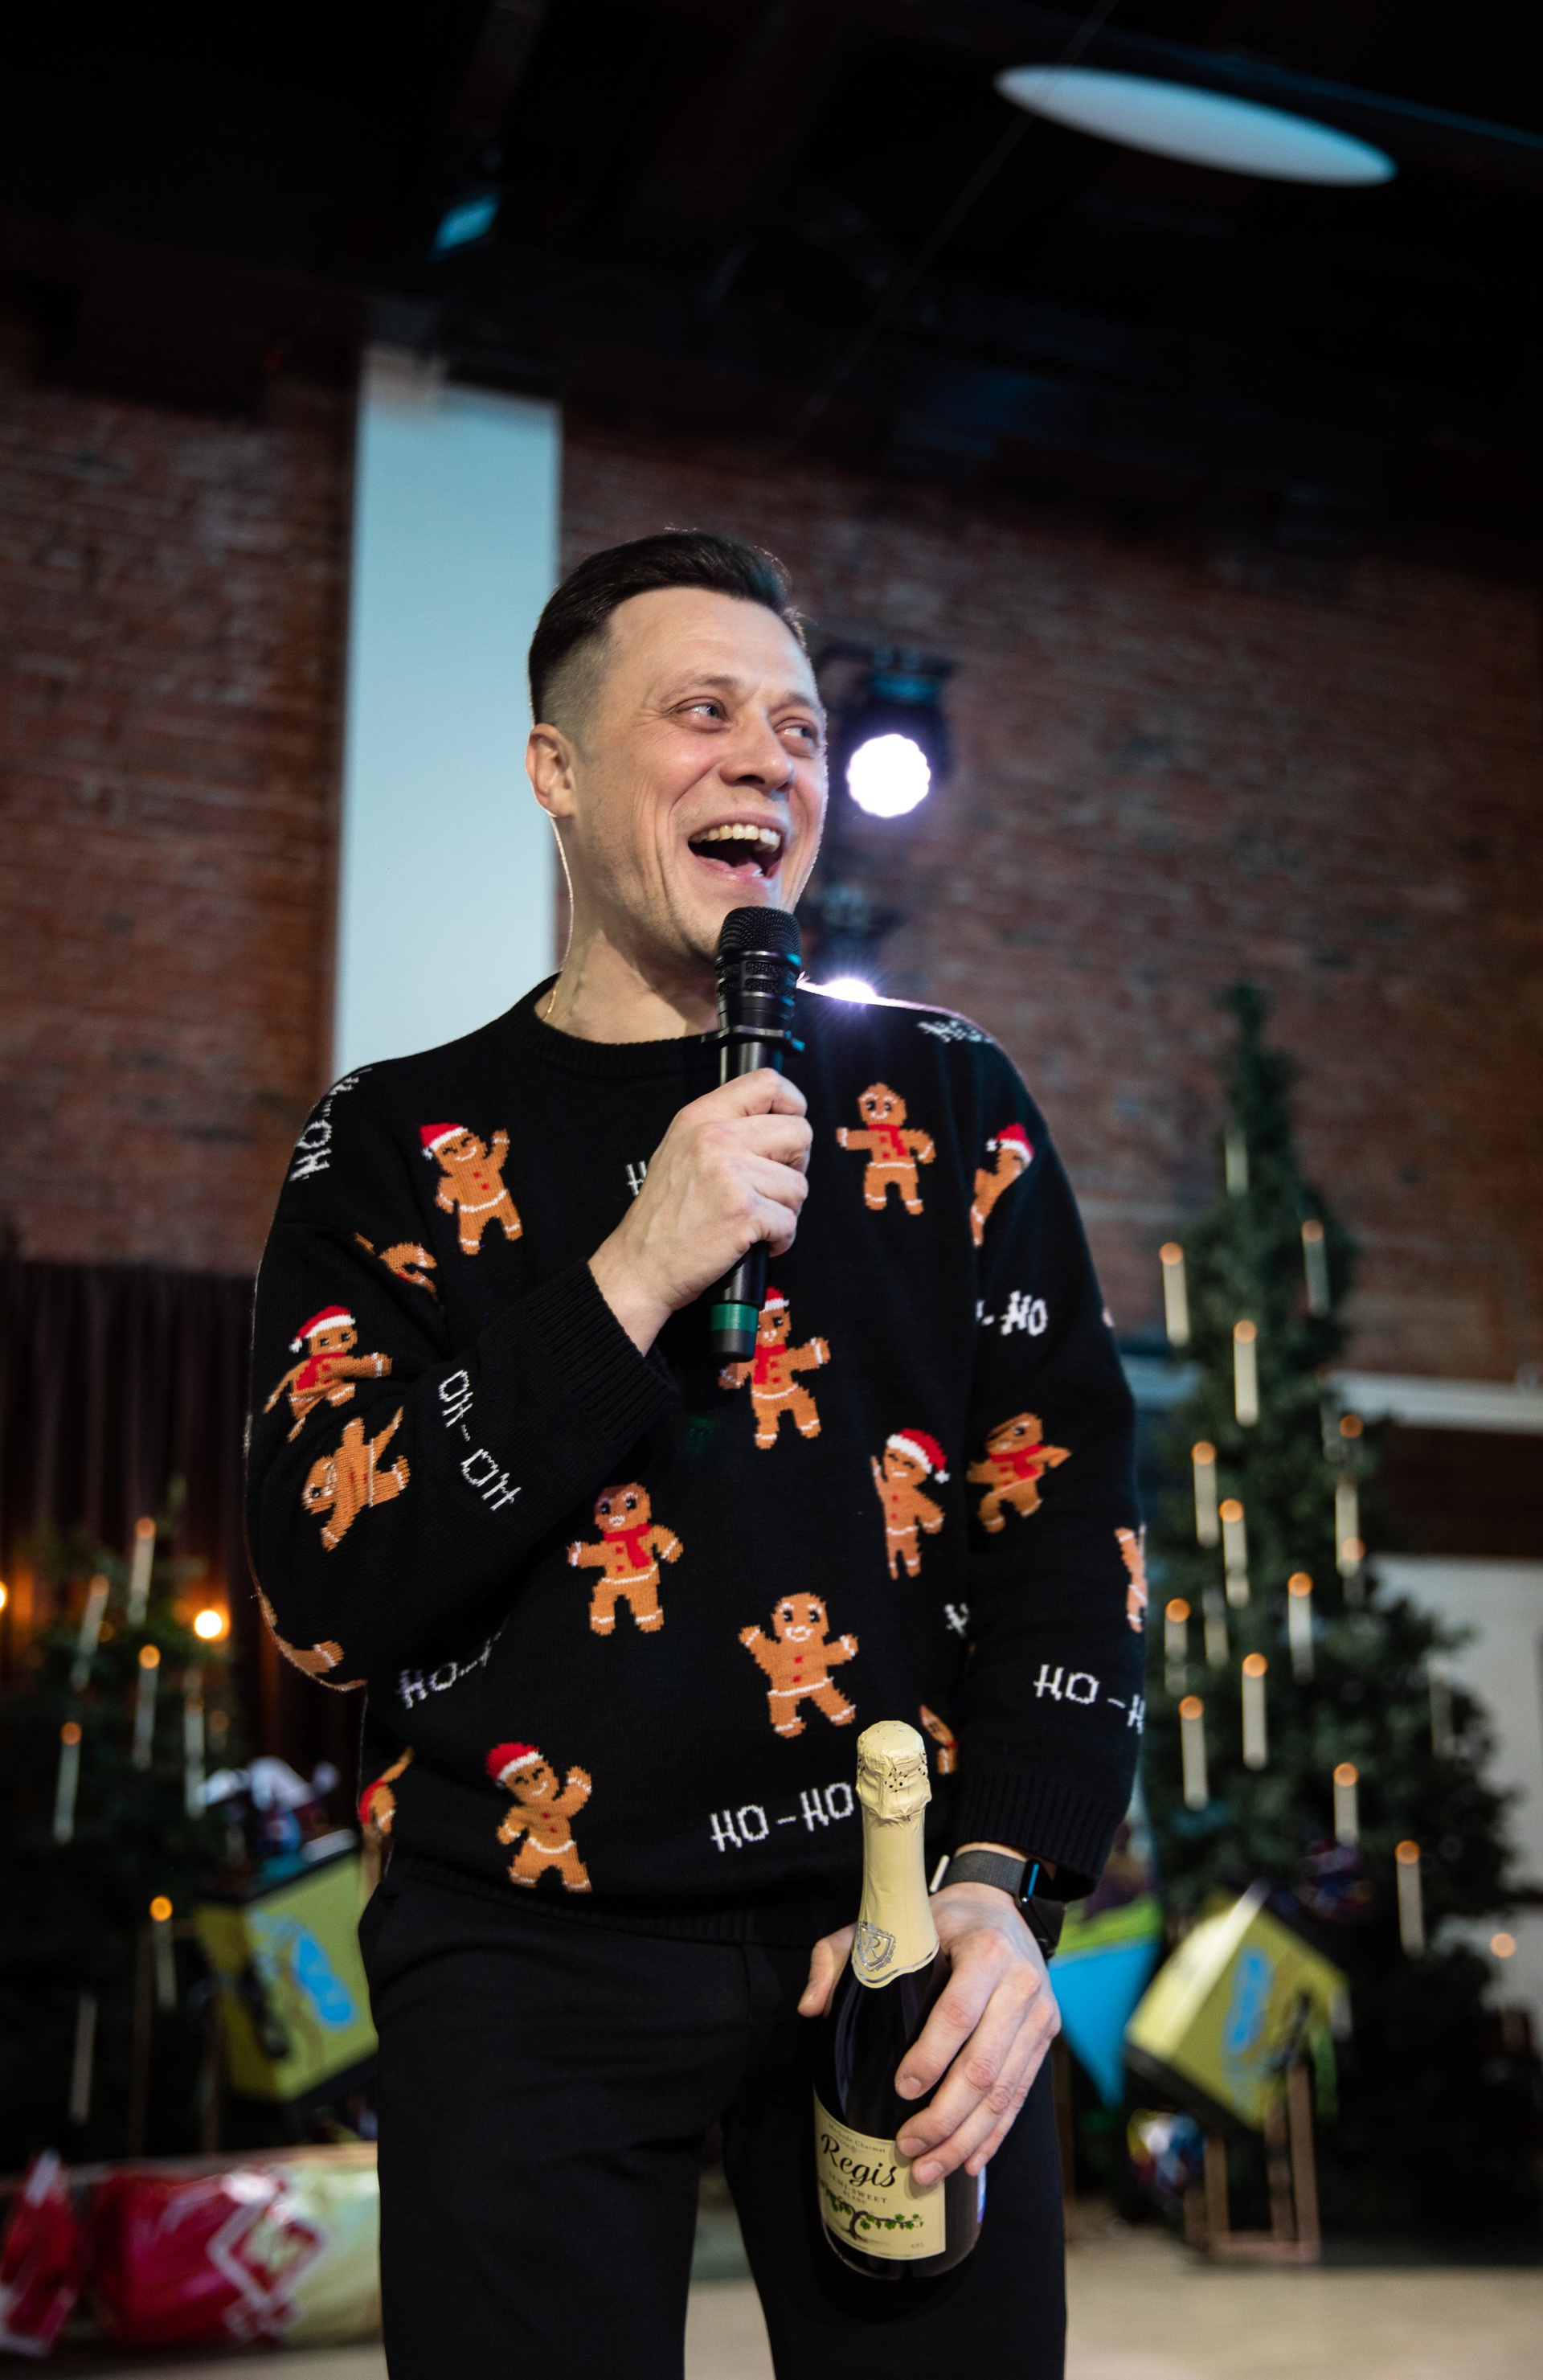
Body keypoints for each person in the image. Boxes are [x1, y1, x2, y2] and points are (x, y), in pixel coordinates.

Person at [246, 531, 1144, 2378]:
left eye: (800, 728)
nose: (770, 761)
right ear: (557, 768)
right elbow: (326, 1595)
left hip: (891, 1925)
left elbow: (1068, 1532)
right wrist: (633, 1273)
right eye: (703, 712)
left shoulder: (950, 1098)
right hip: (524, 1950)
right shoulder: (390, 1143)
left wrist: (1006, 1883)